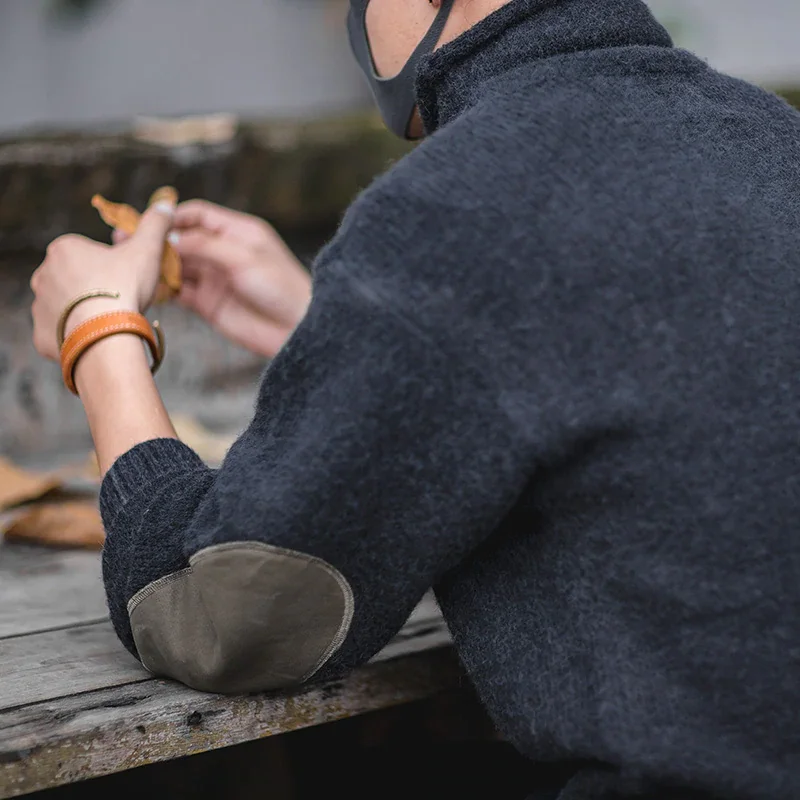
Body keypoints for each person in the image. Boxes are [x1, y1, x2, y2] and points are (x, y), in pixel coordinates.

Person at [29, 0, 799, 798]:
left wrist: (101, 333)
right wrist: (333, 328)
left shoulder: (457, 202)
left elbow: (222, 616)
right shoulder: (771, 141)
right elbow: (628, 363)